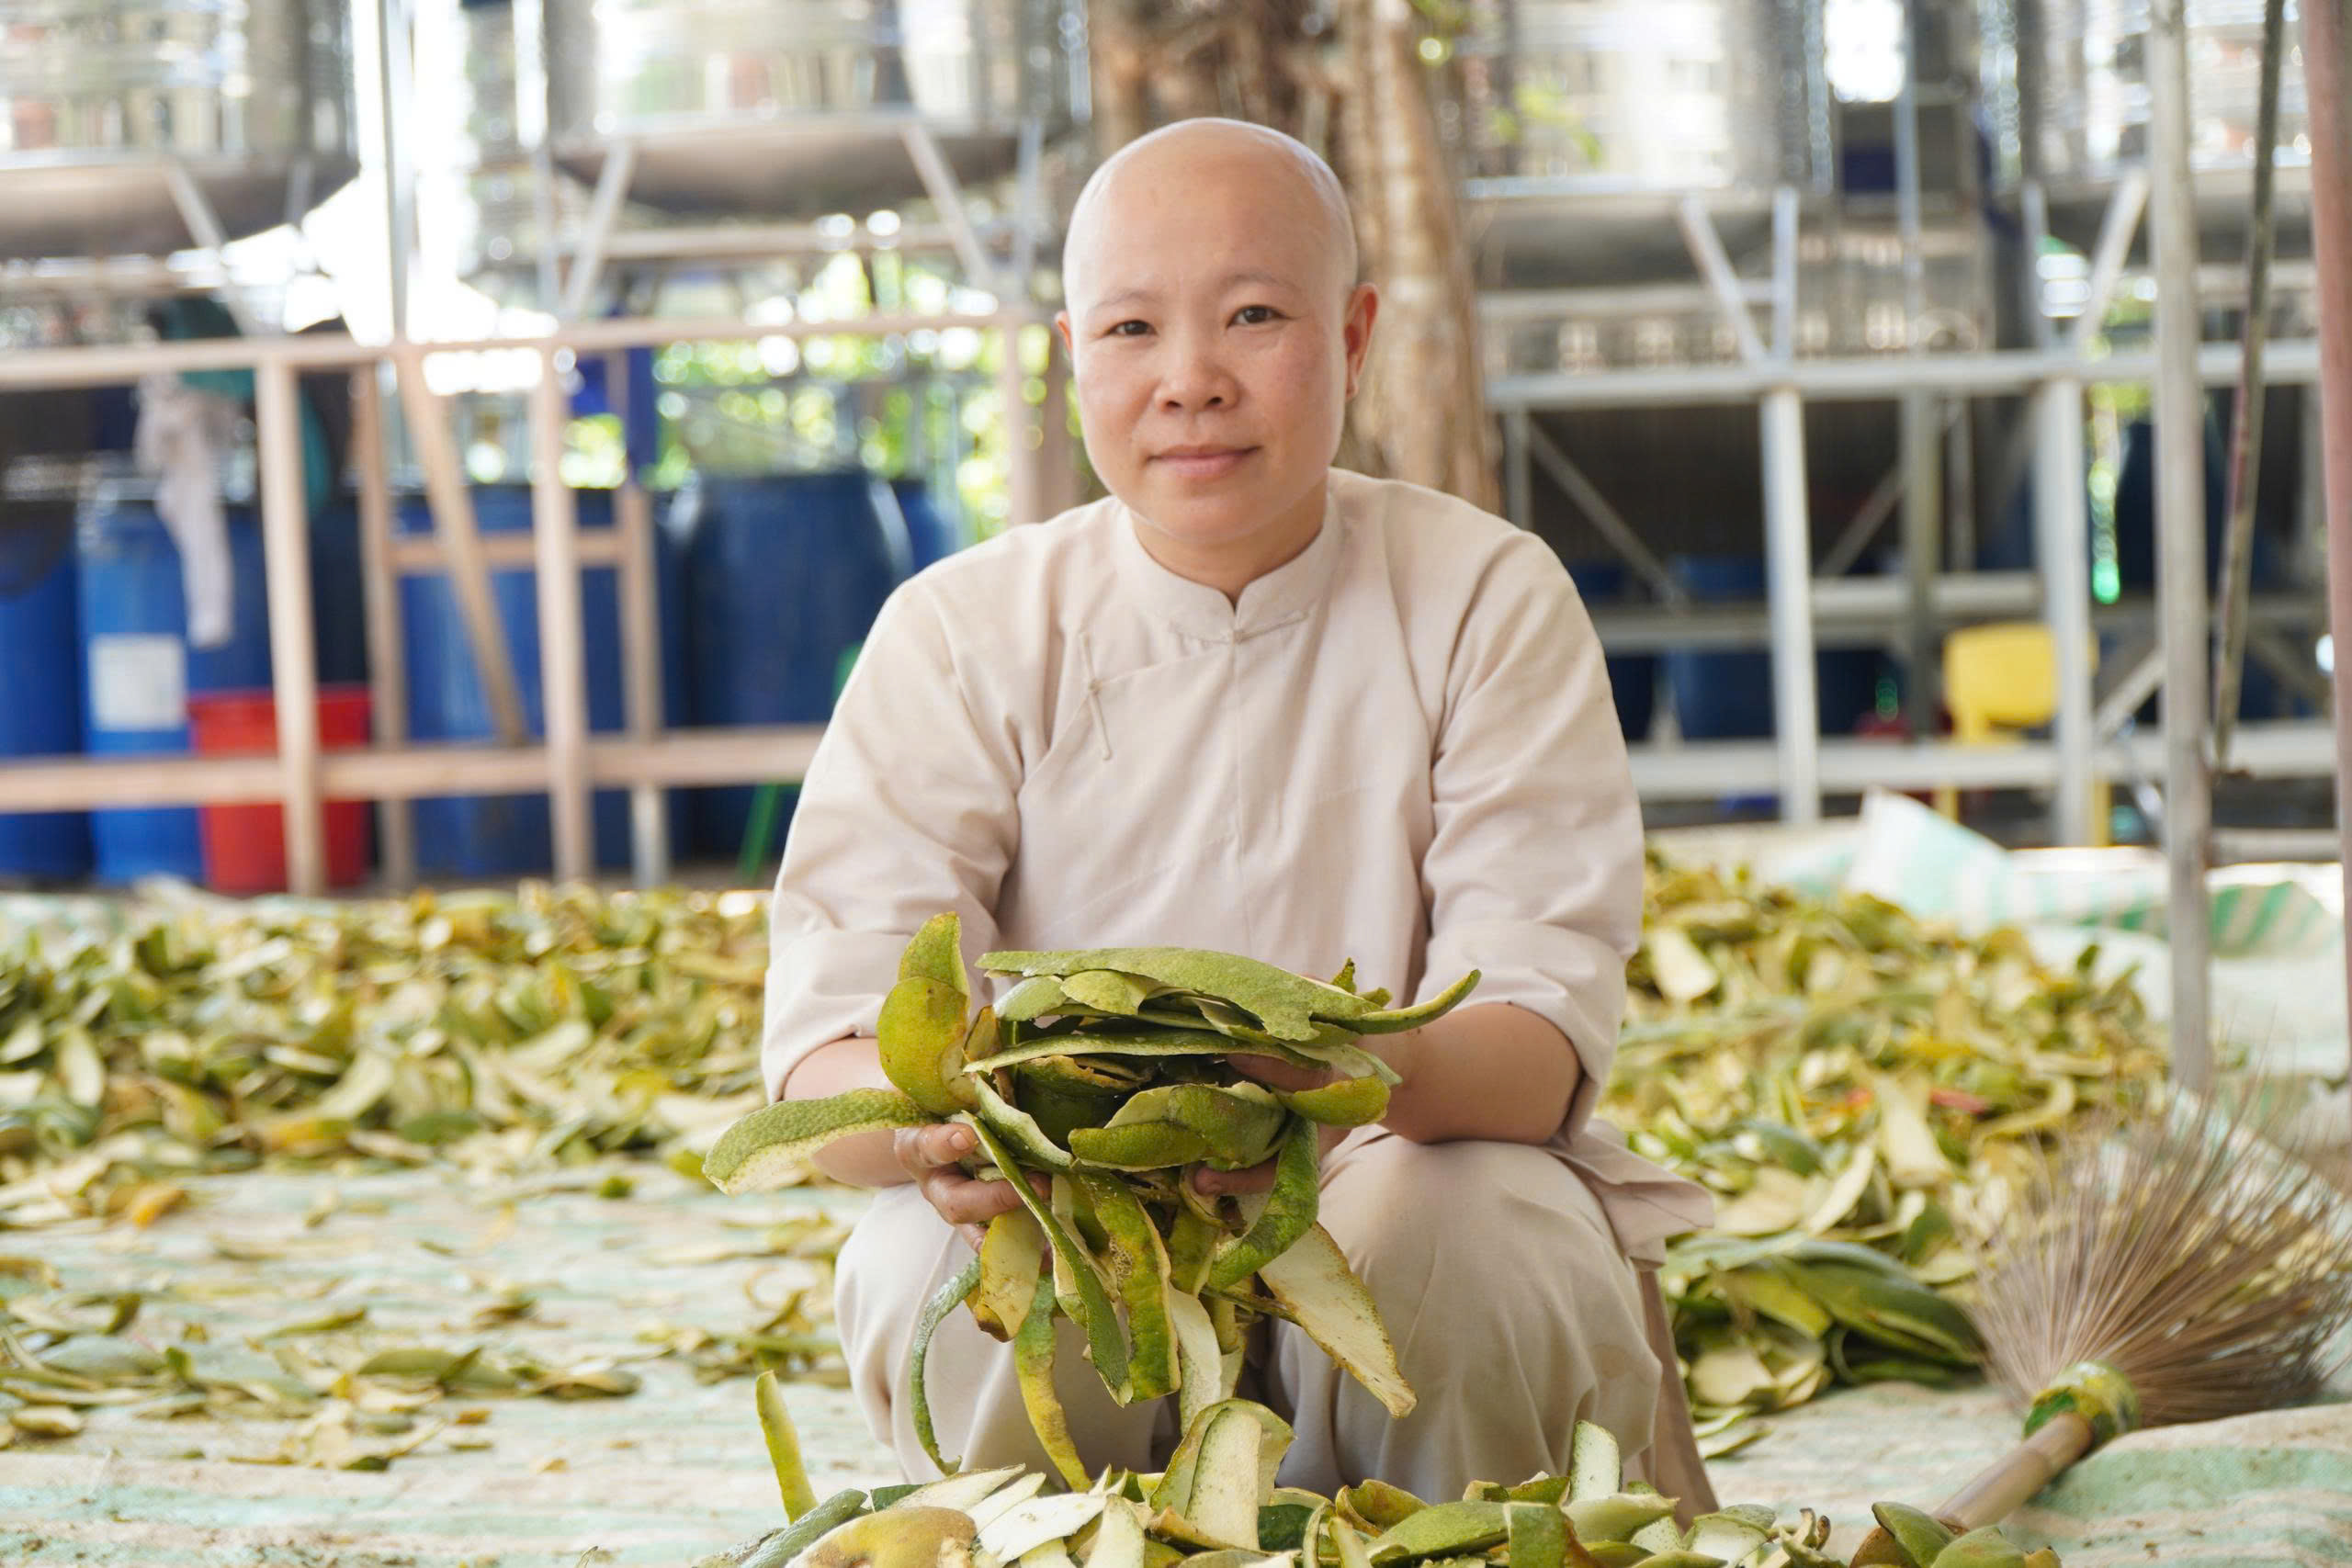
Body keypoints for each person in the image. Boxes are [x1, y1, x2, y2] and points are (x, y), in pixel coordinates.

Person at [761, 117, 1716, 1510]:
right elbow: (821, 1065)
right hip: (1083, 1207)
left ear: (1351, 337)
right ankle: (1074, 1537)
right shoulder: (961, 633)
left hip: (1395, 1197)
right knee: (939, 1261)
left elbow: (1537, 1049)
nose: (1191, 383)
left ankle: (1437, 1535)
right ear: (1071, 354)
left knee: (1454, 1217)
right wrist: (953, 1137)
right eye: (1134, 329)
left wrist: (1279, 1096)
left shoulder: (1482, 598)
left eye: (1255, 316)